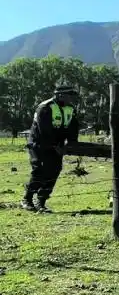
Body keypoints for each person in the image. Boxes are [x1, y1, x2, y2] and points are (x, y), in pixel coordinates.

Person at [22, 83, 81, 213]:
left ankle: (41, 201)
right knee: (39, 171)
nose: (72, 98)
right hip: (39, 145)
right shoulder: (45, 108)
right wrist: (55, 146)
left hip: (57, 146)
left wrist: (71, 144)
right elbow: (44, 130)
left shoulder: (70, 108)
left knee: (54, 171)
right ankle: (27, 199)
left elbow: (73, 127)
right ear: (60, 95)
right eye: (69, 95)